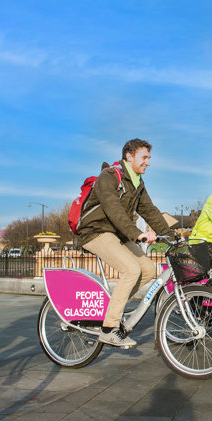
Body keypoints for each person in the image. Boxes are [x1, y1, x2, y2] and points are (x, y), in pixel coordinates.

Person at [78, 138, 172, 347]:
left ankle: (112, 310)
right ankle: (109, 329)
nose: (148, 162)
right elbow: (113, 209)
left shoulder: (137, 183)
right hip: (95, 231)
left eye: (149, 158)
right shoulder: (109, 176)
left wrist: (173, 238)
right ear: (129, 156)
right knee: (131, 269)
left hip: (117, 234)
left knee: (147, 269)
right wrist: (137, 233)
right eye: (144, 157)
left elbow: (150, 211)